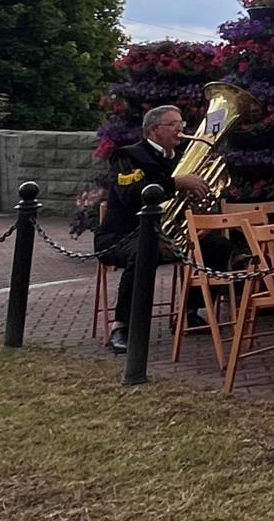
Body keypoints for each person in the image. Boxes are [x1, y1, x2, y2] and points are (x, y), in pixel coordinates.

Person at [95, 103, 231, 354]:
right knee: (144, 252)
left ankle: (188, 312)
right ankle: (121, 326)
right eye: (173, 124)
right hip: (122, 235)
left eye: (182, 124)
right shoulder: (128, 155)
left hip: (167, 235)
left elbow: (190, 202)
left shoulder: (182, 159)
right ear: (154, 130)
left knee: (218, 246)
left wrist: (200, 219)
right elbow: (131, 194)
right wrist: (175, 182)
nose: (181, 129)